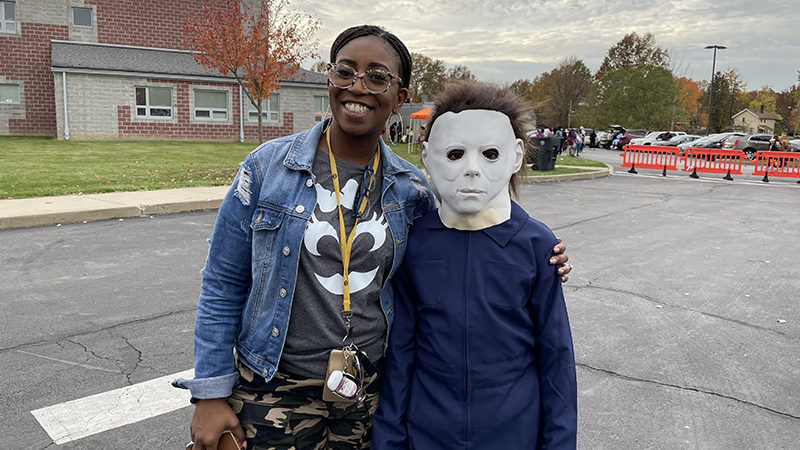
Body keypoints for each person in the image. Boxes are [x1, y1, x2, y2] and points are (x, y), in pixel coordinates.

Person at [173, 25, 572, 450]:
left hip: (367, 393)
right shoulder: (267, 168)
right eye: (345, 72)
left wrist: (541, 251)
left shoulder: (413, 190)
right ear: (330, 79)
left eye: (377, 77)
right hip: (274, 387)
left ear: (400, 97)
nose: (357, 87)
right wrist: (210, 392)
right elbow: (223, 282)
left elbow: (467, 234)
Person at [372, 80, 577, 449]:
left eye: (490, 154)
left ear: (515, 155)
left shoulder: (537, 245)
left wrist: (559, 441)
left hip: (513, 433)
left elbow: (556, 355)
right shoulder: (414, 242)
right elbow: (401, 351)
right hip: (428, 432)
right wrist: (389, 438)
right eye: (454, 154)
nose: (471, 169)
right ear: (427, 155)